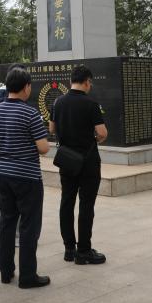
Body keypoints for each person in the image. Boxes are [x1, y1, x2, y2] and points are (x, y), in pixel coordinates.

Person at [0, 67, 50, 289]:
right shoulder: (30, 113)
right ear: (26, 87)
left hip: (3, 174)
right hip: (27, 177)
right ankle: (28, 276)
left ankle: (6, 272)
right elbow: (43, 148)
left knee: (7, 223)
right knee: (29, 226)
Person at [49, 65, 108, 265]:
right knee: (86, 205)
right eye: (90, 82)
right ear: (86, 82)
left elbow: (52, 128)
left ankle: (69, 249)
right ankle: (84, 250)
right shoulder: (91, 104)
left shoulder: (58, 102)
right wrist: (92, 139)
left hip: (67, 161)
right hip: (88, 162)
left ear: (71, 81)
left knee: (67, 202)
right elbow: (102, 133)